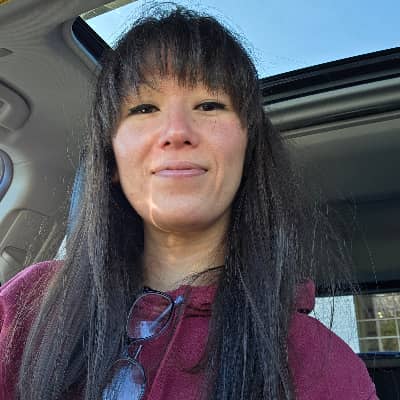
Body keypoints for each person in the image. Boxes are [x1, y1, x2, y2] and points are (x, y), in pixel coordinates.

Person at [0, 5, 377, 400]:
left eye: (209, 105)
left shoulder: (324, 369)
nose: (176, 131)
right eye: (144, 108)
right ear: (111, 161)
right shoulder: (27, 306)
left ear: (248, 152)